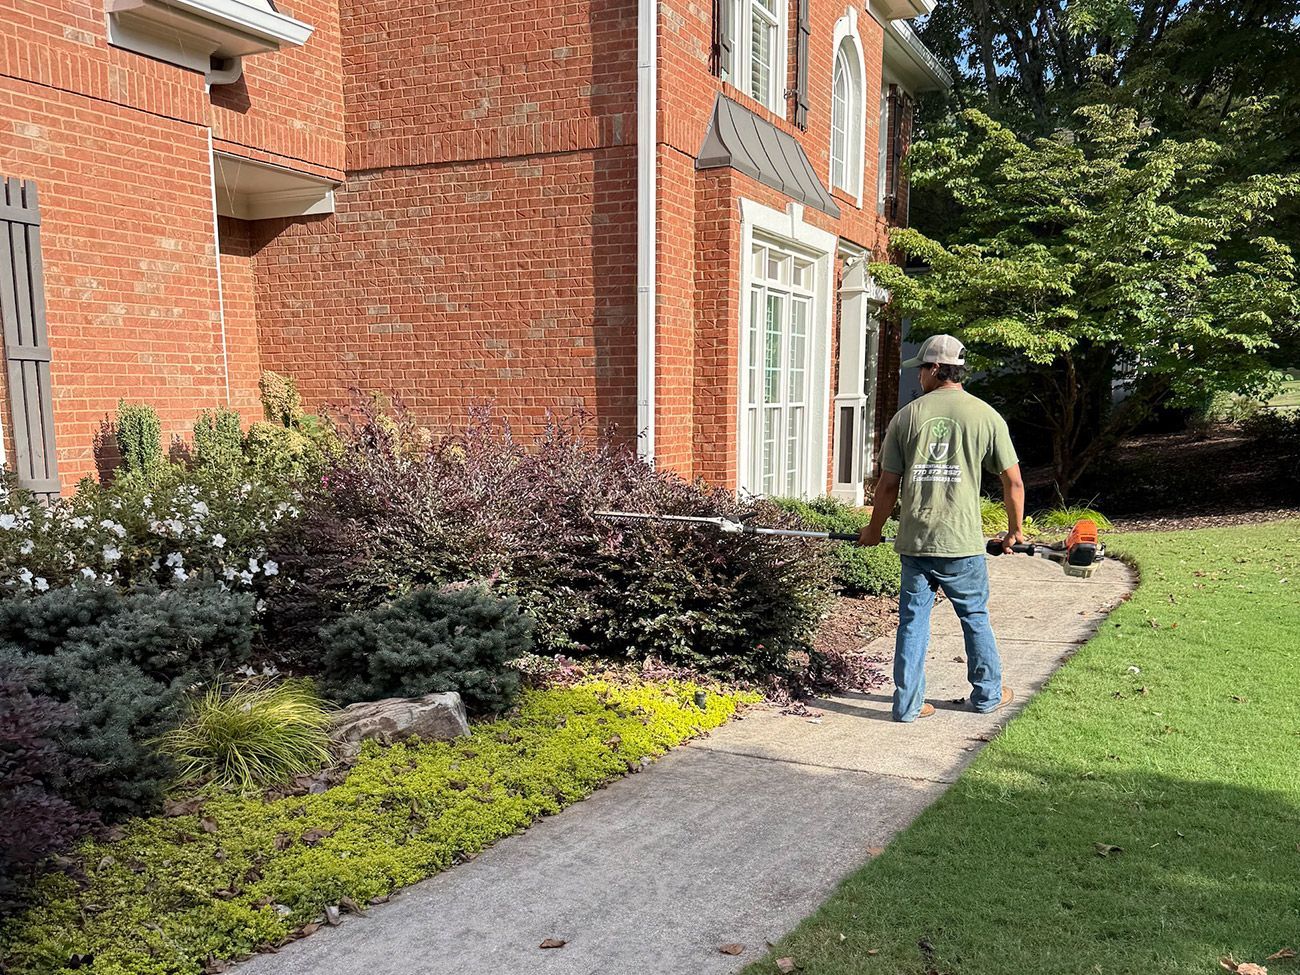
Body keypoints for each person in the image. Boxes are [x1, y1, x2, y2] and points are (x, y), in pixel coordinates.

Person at [857, 334, 1025, 722]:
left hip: (916, 542)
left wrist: (874, 529)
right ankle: (987, 696)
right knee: (975, 618)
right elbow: (1013, 482)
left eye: (921, 370)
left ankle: (907, 705)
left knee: (913, 622)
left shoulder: (908, 416)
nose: (918, 377)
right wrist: (1015, 530)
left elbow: (887, 484)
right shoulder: (985, 416)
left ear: (935, 369)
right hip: (962, 544)